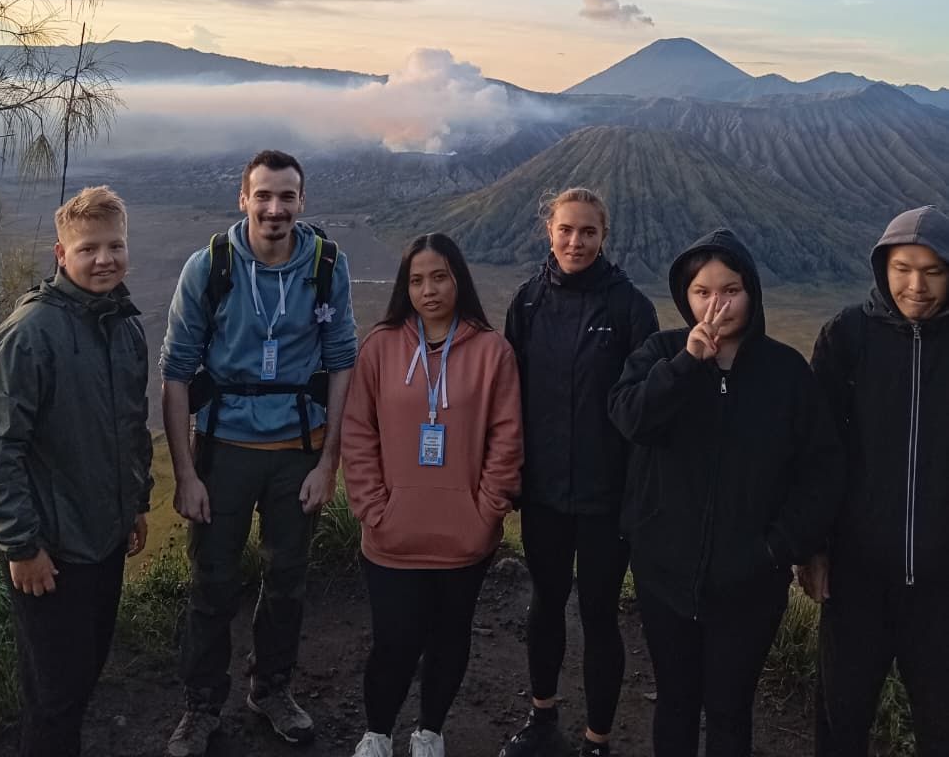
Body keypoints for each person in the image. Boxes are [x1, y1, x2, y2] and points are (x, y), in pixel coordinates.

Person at [608, 228, 843, 757]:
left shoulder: (785, 372)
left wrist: (776, 548)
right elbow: (631, 419)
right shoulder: (660, 353)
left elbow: (820, 470)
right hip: (663, 574)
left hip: (751, 584)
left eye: (730, 289)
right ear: (684, 297)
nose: (717, 305)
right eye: (702, 292)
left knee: (731, 708)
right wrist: (687, 365)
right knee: (675, 701)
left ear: (752, 291)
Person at [160, 149, 357, 756]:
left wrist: (329, 465)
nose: (275, 209)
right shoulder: (209, 267)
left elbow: (343, 364)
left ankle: (271, 689)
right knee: (212, 582)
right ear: (242, 199)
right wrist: (186, 474)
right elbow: (175, 373)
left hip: (297, 449)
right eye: (263, 196)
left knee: (288, 580)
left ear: (303, 201)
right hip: (222, 451)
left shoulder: (326, 266)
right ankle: (201, 706)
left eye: (287, 197)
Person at [0, 186, 152, 757]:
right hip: (50, 552)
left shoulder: (124, 327)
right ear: (62, 255)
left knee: (81, 681)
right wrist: (21, 546)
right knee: (53, 698)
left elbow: (131, 427)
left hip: (103, 540)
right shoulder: (30, 334)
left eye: (115, 246)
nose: (104, 258)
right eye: (88, 249)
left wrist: (136, 504)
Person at [342, 232, 522, 757]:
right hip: (392, 536)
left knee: (449, 640)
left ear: (458, 280)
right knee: (394, 643)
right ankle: (377, 733)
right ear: (406, 287)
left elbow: (506, 438)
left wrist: (485, 512)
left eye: (439, 276)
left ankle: (430, 731)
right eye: (417, 280)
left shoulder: (493, 352)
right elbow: (358, 432)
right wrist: (373, 508)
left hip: (464, 540)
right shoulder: (379, 346)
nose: (429, 290)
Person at [499, 187, 658, 757]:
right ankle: (541, 719)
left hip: (605, 498)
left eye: (588, 232)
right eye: (566, 230)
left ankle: (598, 740)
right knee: (544, 603)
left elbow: (644, 409)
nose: (576, 241)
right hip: (542, 493)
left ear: (603, 237)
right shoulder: (528, 303)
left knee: (598, 614)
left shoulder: (629, 309)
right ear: (549, 232)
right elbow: (508, 396)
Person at [802, 205, 949, 756]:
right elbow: (817, 454)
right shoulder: (847, 336)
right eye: (904, 268)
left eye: (934, 270)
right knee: (843, 719)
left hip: (942, 586)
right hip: (856, 579)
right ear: (882, 268)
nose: (917, 284)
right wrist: (813, 547)